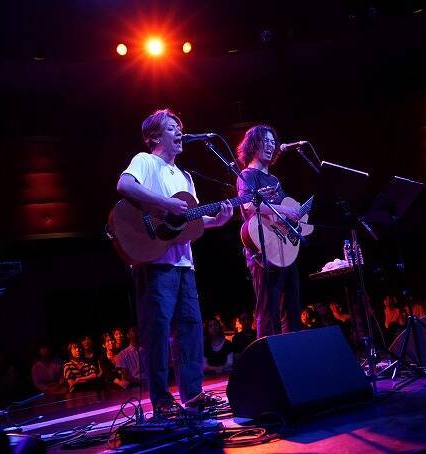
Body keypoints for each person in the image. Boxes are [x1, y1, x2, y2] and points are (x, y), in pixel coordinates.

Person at [117, 109, 233, 416]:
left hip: (184, 264)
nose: (180, 133)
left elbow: (190, 222)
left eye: (180, 128)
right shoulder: (145, 161)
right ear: (155, 136)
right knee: (157, 332)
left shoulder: (186, 177)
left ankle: (193, 395)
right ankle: (162, 402)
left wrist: (218, 220)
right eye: (172, 128)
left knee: (192, 329)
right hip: (155, 262)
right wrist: (165, 203)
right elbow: (125, 186)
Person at [236, 124, 303, 338]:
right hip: (262, 250)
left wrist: (296, 214)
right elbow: (248, 205)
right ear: (253, 144)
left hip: (283, 246)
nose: (271, 146)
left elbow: (282, 213)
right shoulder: (247, 175)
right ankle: (270, 360)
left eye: (273, 142)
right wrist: (286, 209)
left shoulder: (274, 180)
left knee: (292, 307)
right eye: (266, 141)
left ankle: (293, 357)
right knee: (268, 309)